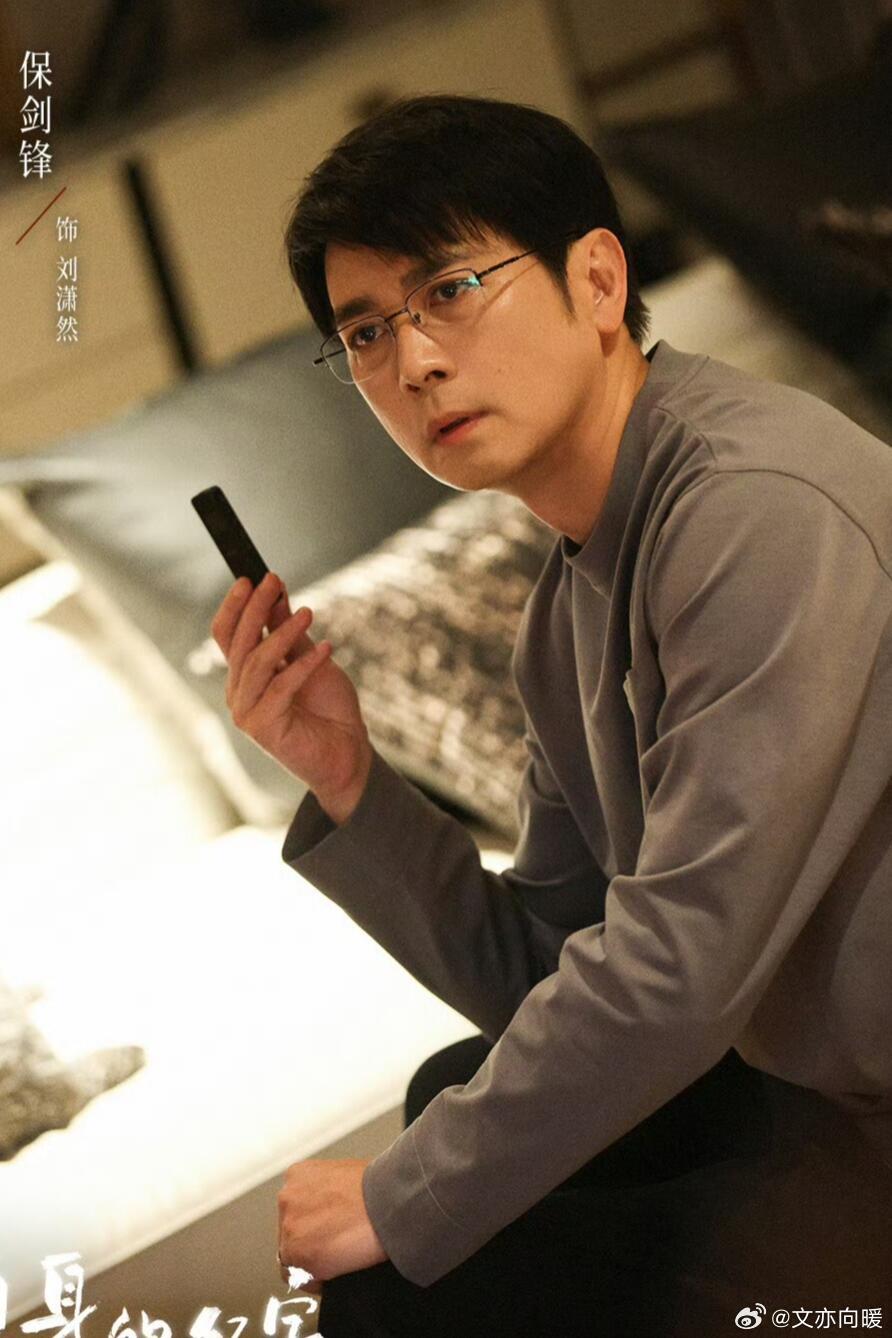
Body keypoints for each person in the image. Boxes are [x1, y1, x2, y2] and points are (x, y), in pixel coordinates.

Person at [210, 95, 892, 1335]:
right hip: (812, 1108)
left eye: (450, 290)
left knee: (418, 1270)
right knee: (455, 1097)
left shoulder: (754, 509)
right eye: (366, 331)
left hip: (863, 1135)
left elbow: (678, 967)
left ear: (597, 280)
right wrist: (351, 780)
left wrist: (402, 1200)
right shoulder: (566, 609)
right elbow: (552, 975)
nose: (413, 362)